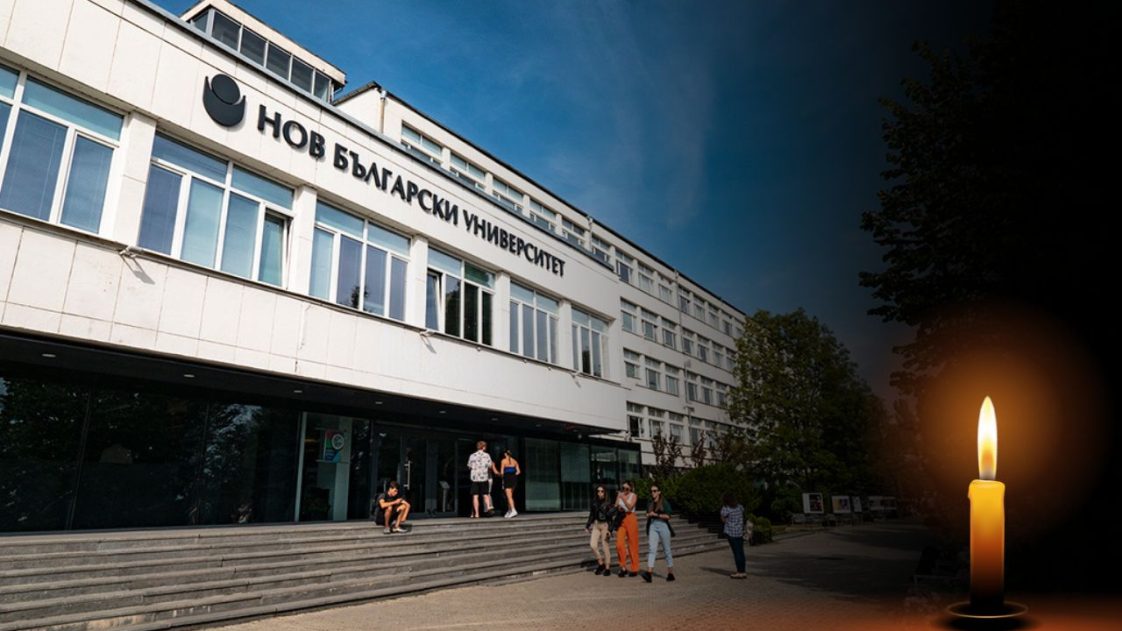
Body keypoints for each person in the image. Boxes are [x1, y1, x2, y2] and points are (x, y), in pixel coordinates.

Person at [641, 484, 675, 582]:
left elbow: (668, 516)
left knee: (667, 550)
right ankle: (649, 573)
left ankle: (670, 573)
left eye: (655, 491)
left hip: (663, 525)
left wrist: (656, 514)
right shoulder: (650, 502)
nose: (653, 493)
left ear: (659, 492)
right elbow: (647, 513)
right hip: (653, 525)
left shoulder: (664, 502)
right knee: (652, 549)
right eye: (651, 491)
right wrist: (648, 514)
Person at [585, 485, 615, 576]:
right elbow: (592, 515)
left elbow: (611, 518)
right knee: (593, 545)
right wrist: (588, 525)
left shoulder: (608, 503)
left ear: (605, 492)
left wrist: (610, 530)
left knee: (605, 546)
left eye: (602, 491)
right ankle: (601, 564)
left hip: (605, 525)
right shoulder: (594, 502)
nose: (600, 493)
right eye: (598, 491)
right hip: (596, 524)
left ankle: (607, 568)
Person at [614, 481, 640, 577]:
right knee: (619, 544)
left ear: (631, 488)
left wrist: (623, 498)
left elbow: (630, 507)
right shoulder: (620, 495)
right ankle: (623, 567)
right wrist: (618, 504)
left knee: (633, 544)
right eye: (623, 488)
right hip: (621, 518)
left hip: (630, 517)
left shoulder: (633, 495)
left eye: (627, 488)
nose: (624, 490)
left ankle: (635, 568)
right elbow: (615, 506)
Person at [467, 440, 499, 518]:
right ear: (483, 447)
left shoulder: (472, 455)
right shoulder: (487, 455)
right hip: (484, 478)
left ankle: (477, 514)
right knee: (485, 495)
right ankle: (488, 508)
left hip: (474, 478)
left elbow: (469, 466)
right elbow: (490, 466)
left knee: (475, 496)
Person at [721, 492, 749, 578]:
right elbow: (743, 516)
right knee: (741, 552)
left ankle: (739, 572)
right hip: (739, 532)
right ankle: (743, 570)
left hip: (731, 532)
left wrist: (728, 520)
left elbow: (723, 519)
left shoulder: (726, 508)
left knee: (736, 553)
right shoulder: (740, 507)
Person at [499, 449, 521, 518]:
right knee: (510, 496)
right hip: (514, 478)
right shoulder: (515, 461)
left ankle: (513, 510)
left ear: (505, 454)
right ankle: (509, 510)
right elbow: (518, 472)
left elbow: (502, 472)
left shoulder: (503, 461)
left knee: (509, 496)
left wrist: (501, 476)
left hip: (507, 478)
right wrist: (513, 474)